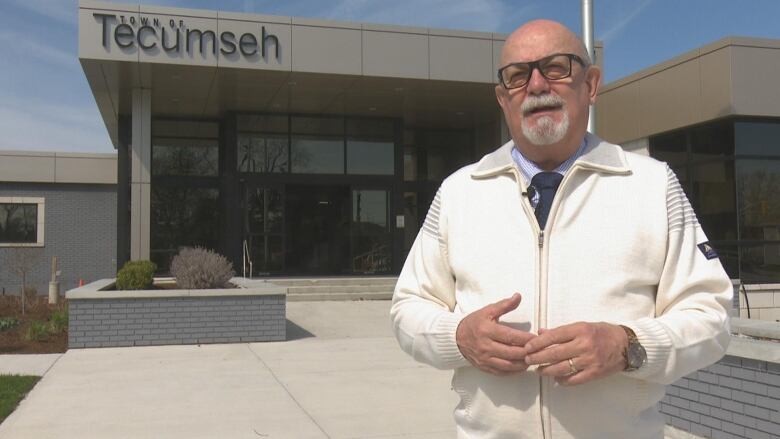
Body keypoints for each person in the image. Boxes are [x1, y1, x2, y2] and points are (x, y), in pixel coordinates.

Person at [390, 19, 732, 439]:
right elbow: (407, 310)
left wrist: (627, 345)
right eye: (517, 76)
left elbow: (711, 319)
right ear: (503, 98)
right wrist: (459, 336)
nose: (536, 86)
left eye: (556, 67)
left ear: (590, 84)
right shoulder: (459, 191)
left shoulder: (653, 185)